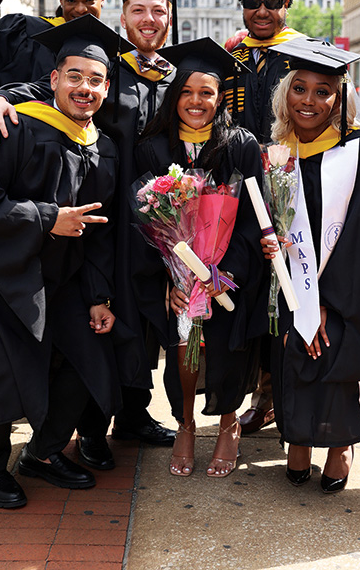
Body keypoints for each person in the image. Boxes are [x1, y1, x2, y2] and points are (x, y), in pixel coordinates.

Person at [0, 0, 195, 468]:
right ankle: (92, 430)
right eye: (138, 9)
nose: (149, 18)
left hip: (156, 221)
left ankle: (133, 415)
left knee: (143, 320)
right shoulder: (99, 67)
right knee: (108, 322)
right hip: (101, 220)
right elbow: (33, 89)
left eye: (158, 10)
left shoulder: (174, 77)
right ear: (122, 14)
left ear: (170, 17)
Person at [0, 15, 125, 508]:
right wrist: (47, 218)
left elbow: (99, 231)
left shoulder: (101, 148)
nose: (84, 88)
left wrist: (99, 296)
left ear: (107, 87)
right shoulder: (12, 124)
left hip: (43, 272)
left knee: (86, 354)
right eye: (75, 77)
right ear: (53, 80)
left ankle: (41, 453)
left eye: (95, 80)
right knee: (4, 364)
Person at [133, 38, 267, 477]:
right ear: (176, 96)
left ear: (220, 97)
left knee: (229, 348)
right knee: (182, 350)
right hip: (178, 279)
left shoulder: (240, 144)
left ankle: (228, 424)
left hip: (227, 274)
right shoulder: (153, 147)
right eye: (187, 91)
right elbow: (142, 219)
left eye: (206, 92)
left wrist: (225, 271)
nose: (196, 101)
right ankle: (185, 423)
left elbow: (253, 214)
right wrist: (172, 278)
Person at [262, 38, 360, 492]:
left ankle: (339, 444)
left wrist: (326, 301)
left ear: (339, 99)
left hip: (342, 284)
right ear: (285, 94)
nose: (308, 101)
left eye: (322, 91)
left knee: (331, 354)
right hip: (290, 281)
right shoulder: (276, 153)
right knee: (291, 355)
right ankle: (297, 438)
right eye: (299, 88)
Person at [224, 0, 313, 435]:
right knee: (254, 293)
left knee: (289, 292)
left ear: (287, 5)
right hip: (240, 191)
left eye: (272, 3)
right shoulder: (233, 55)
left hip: (293, 188)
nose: (262, 11)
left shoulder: (303, 55)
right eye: (252, 3)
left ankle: (280, 396)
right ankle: (260, 393)